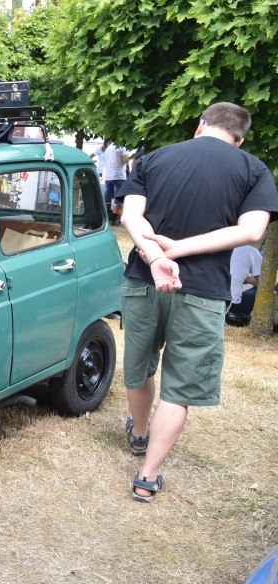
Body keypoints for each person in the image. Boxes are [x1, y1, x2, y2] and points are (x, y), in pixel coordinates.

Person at [118, 102, 278, 503]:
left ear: (200, 125)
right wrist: (181, 251)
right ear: (239, 139)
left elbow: (130, 219)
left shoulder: (152, 158)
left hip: (143, 280)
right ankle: (146, 477)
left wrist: (157, 257)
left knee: (139, 366)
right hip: (204, 292)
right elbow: (252, 230)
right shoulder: (254, 169)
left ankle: (139, 434)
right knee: (181, 386)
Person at [226, 244, 263, 324]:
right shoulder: (252, 252)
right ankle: (239, 316)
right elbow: (262, 284)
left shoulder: (219, 247)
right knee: (254, 292)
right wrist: (247, 278)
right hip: (231, 305)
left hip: (210, 298)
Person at [100, 139, 128, 224]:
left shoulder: (108, 148)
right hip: (119, 176)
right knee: (118, 199)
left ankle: (105, 218)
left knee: (107, 199)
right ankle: (114, 220)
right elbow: (126, 159)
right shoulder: (122, 146)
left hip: (108, 176)